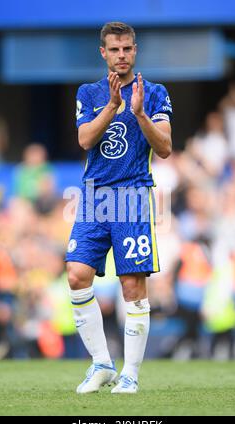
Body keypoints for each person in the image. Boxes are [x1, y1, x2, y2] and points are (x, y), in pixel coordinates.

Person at [65, 22, 172, 394]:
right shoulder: (89, 92)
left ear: (135, 50)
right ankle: (102, 364)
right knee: (77, 274)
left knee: (132, 285)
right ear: (103, 53)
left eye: (127, 49)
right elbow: (84, 139)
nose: (121, 56)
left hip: (132, 195)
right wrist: (112, 106)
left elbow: (165, 148)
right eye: (114, 49)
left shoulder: (154, 93)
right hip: (94, 196)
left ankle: (131, 373)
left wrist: (140, 114)